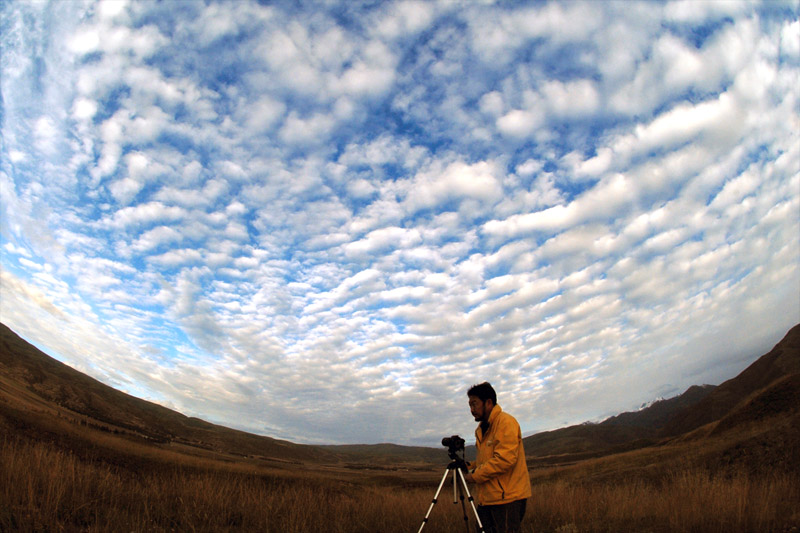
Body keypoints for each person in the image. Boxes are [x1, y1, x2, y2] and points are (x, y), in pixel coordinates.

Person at [464, 382, 531, 533]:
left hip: (507, 499)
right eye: (469, 405)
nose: (471, 410)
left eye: (474, 404)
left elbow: (504, 460)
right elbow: (487, 461)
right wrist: (468, 466)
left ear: (488, 402)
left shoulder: (505, 422)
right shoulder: (482, 429)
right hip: (487, 499)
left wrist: (474, 476)